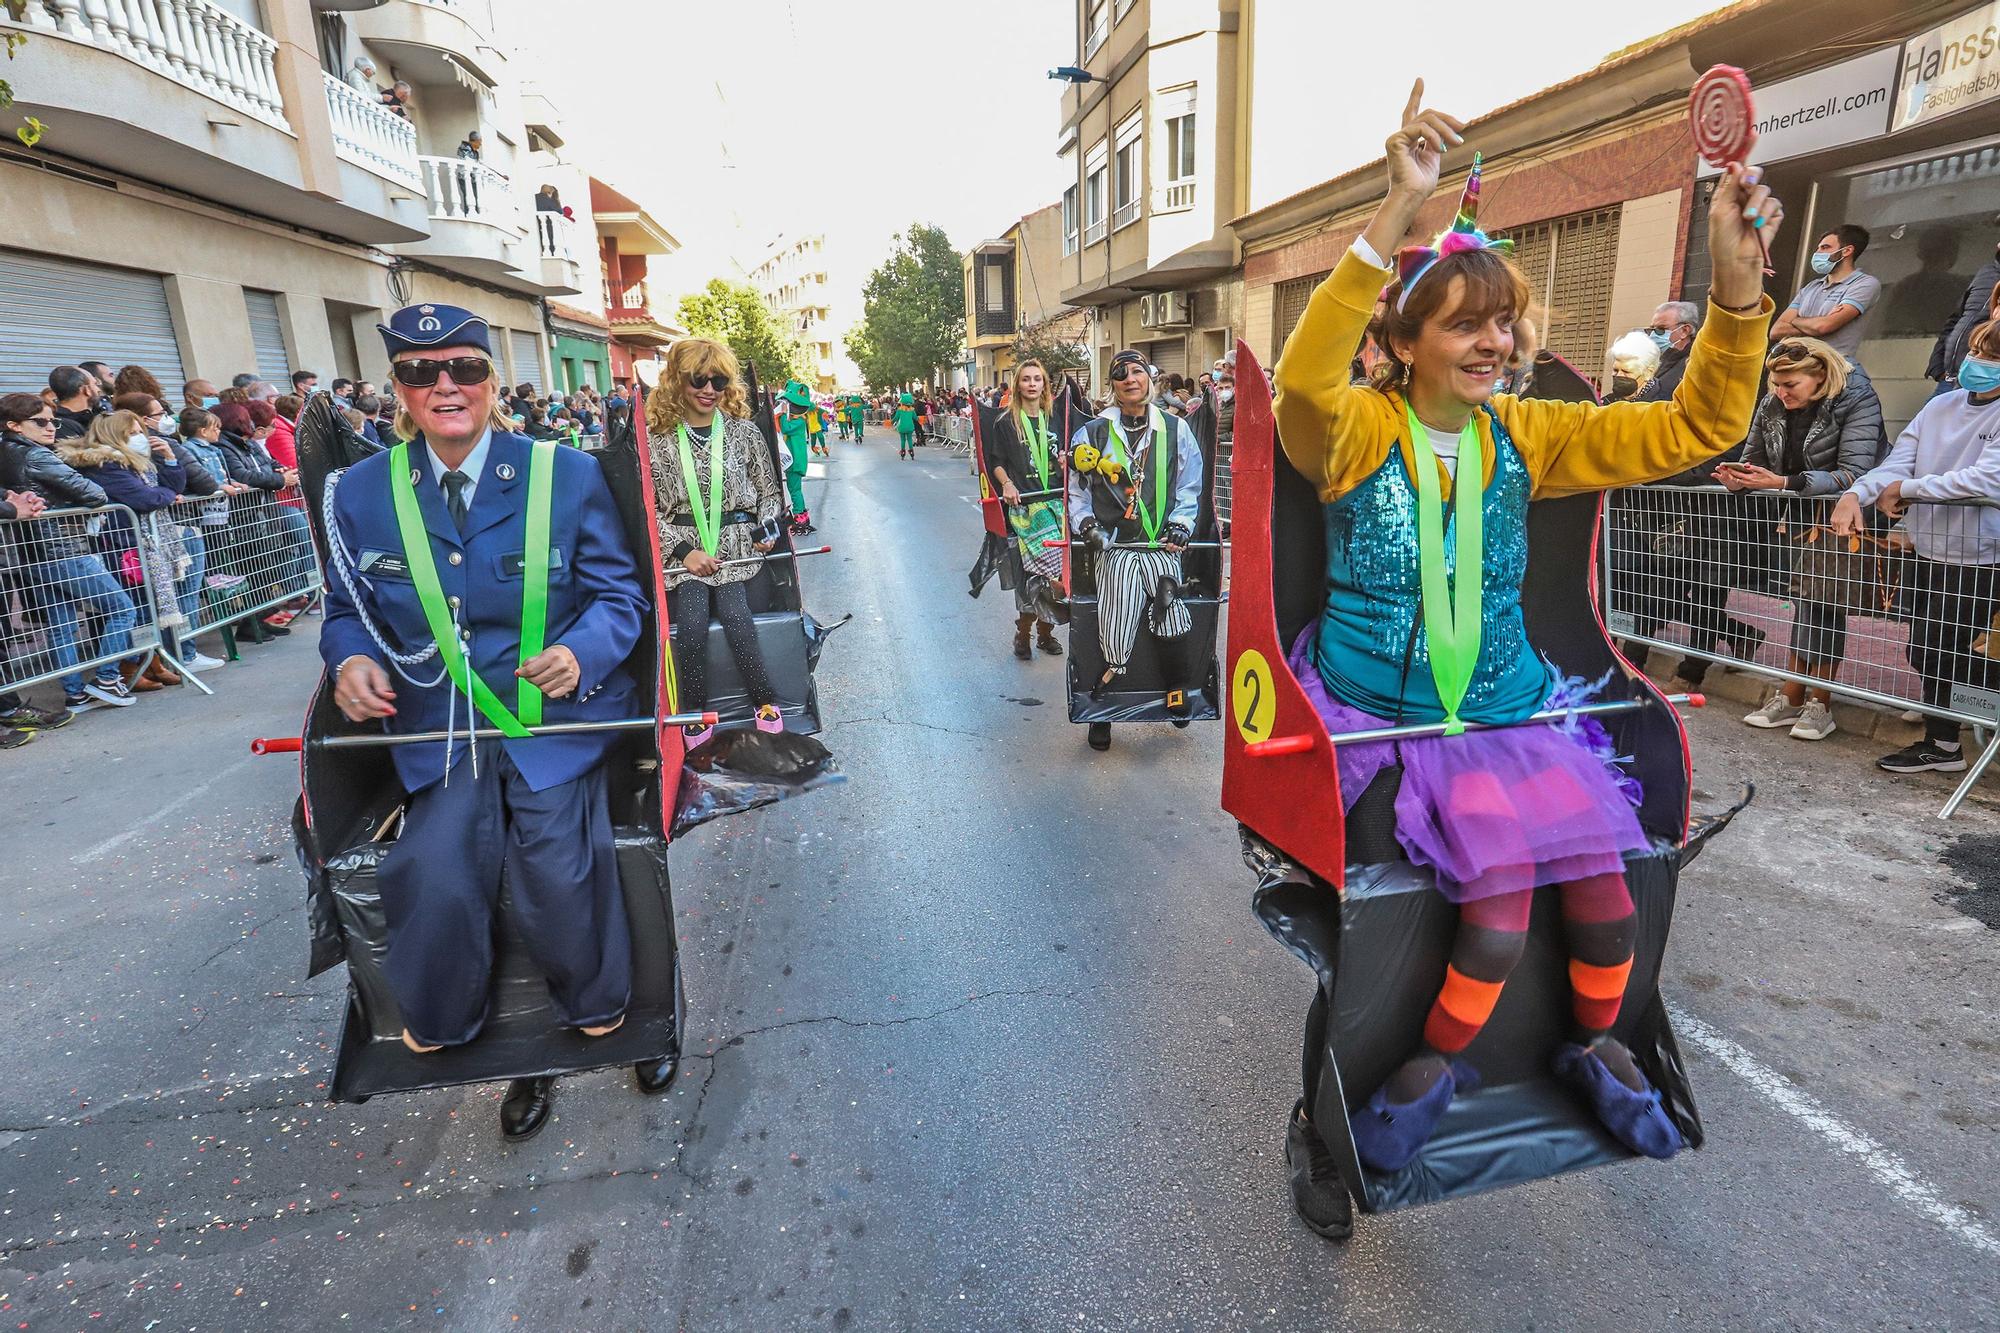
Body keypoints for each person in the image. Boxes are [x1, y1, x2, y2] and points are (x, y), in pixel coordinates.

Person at [1268, 81, 1779, 1237]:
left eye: (1503, 323)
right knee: (1458, 922)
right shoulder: (1350, 431)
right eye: (1463, 323)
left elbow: (1694, 430)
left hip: (1512, 717)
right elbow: (1300, 379)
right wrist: (1390, 216)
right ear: (1398, 343)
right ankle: (1342, 1116)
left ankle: (1592, 1051)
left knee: (1608, 911)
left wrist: (1735, 296)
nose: (1495, 342)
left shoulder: (1526, 434)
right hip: (1379, 733)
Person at [319, 303, 663, 1141]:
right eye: (420, 372)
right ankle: (464, 1029)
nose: (445, 386)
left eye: (465, 368)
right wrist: (349, 660)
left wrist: (583, 651)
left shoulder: (564, 473)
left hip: (554, 721)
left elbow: (623, 596)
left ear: (490, 380)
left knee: (556, 864)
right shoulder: (360, 492)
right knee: (435, 868)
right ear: (397, 388)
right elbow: (345, 609)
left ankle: (605, 1004)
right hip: (439, 724)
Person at [1835, 317, 2000, 775]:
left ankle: (1944, 740)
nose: (1977, 363)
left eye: (1991, 356)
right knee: (1925, 647)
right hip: (1929, 549)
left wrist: (1909, 490)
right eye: (1976, 351)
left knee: (1943, 647)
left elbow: (1987, 478)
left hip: (1984, 556)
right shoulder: (1941, 407)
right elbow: (1897, 462)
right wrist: (1856, 495)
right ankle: (1944, 744)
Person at [1725, 337, 1886, 741]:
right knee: (1805, 600)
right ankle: (1794, 693)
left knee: (1826, 602)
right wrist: (1738, 479)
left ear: (1820, 378)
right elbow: (1754, 457)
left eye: (1790, 385)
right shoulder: (1772, 402)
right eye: (1776, 385)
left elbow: (1856, 471)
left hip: (1846, 511)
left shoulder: (1855, 397)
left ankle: (1820, 702)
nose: (1780, 393)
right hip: (1800, 509)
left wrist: (1783, 481)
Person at [645, 338, 787, 746]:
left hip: (739, 549)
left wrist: (767, 529)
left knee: (738, 619)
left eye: (719, 380)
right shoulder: (658, 439)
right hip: (685, 553)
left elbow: (769, 492)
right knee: (689, 627)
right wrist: (684, 552)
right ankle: (694, 714)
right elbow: (649, 509)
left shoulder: (744, 432)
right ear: (677, 381)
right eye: (698, 379)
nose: (709, 389)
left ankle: (765, 703)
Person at [1067, 348, 1204, 752]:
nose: (1130, 379)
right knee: (1114, 626)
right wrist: (1087, 525)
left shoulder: (1177, 430)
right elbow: (1077, 492)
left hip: (1161, 546)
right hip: (1116, 548)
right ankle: (1104, 711)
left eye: (1137, 372)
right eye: (1120, 374)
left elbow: (1189, 487)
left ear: (1151, 377)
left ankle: (1177, 692)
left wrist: (1181, 526)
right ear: (1111, 385)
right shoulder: (1091, 433)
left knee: (1172, 615)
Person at [0, 394, 140, 715]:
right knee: (122, 609)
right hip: (62, 548)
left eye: (53, 421)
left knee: (61, 625)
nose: (51, 428)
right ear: (13, 425)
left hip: (30, 553)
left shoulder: (8, 452)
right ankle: (106, 678)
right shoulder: (37, 455)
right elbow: (95, 493)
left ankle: (75, 695)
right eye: (40, 422)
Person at [986, 358, 1066, 660]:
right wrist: (1007, 484)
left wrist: (1065, 461)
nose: (1032, 384)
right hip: (1026, 510)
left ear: (1044, 384)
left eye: (1037, 379)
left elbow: (1069, 452)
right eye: (1026, 379)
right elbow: (996, 462)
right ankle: (1024, 632)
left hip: (1058, 506)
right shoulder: (1005, 421)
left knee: (1056, 577)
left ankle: (1045, 635)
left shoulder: (1057, 417)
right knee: (1030, 578)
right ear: (1018, 384)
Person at [1771, 224, 1878, 367]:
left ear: (1846, 251)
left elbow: (1823, 326)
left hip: (1831, 371)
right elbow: (1776, 331)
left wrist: (1795, 320)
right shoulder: (1811, 287)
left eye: (1825, 247)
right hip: (1795, 368)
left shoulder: (1864, 284)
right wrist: (1817, 323)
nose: (1817, 253)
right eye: (1818, 248)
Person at [1928, 245, 2000, 396]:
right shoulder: (1987, 272)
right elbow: (1957, 318)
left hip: (1987, 383)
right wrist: (1937, 363)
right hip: (1950, 379)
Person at [1631, 301, 1701, 404]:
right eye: (1651, 330)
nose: (1653, 335)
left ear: (1685, 331)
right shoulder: (1655, 362)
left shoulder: (1696, 366)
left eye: (1661, 329)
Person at [777, 381, 815, 532]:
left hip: (795, 462)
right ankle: (801, 515)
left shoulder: (798, 421)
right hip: (793, 461)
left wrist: (780, 415)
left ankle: (800, 517)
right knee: (794, 488)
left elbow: (785, 429)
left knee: (794, 490)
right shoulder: (796, 420)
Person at [49, 366, 98, 439]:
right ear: (86, 389)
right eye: (95, 384)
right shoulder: (62, 425)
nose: (98, 389)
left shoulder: (52, 420)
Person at [891, 391, 918, 459]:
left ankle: (903, 451)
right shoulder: (912, 409)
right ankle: (911, 451)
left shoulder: (900, 409)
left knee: (903, 440)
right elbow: (915, 418)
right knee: (909, 439)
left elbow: (896, 418)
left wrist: (891, 422)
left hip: (902, 427)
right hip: (910, 427)